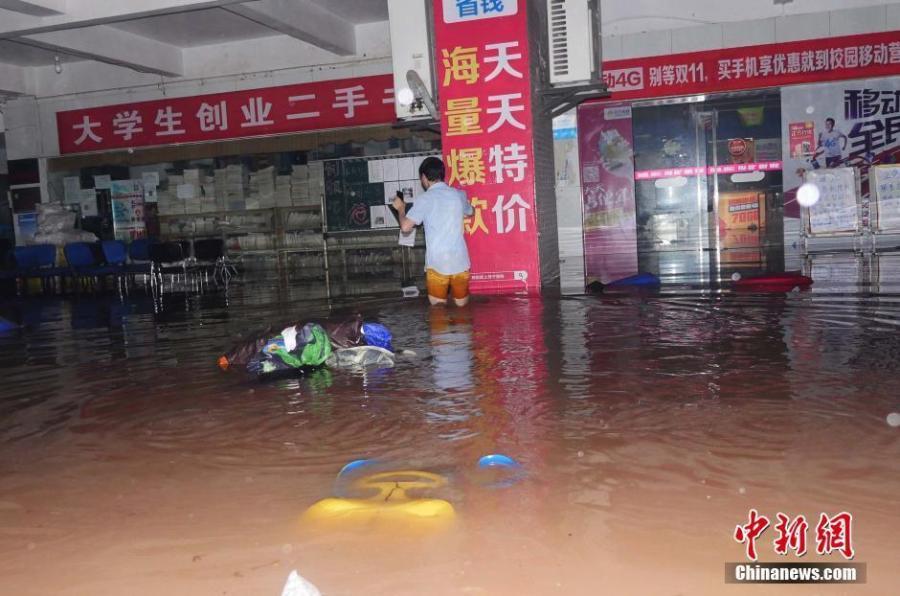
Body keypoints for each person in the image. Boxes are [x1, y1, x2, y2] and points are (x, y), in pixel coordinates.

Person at [393, 156, 473, 306]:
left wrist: (401, 209)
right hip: (460, 262)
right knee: (463, 311)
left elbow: (405, 227)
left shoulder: (425, 199)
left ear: (424, 177)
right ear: (442, 174)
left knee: (438, 313)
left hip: (437, 264)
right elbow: (471, 212)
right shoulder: (458, 195)